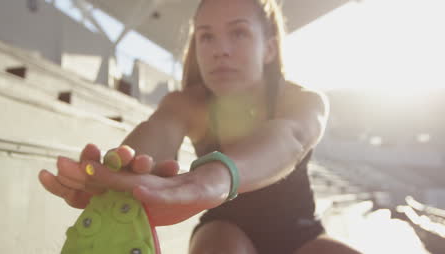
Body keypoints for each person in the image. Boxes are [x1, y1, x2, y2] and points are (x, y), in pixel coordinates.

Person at [39, 0, 361, 253]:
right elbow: (156, 135)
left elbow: (290, 137)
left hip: (298, 232)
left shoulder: (304, 100)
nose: (220, 49)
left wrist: (213, 179)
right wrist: (117, 176)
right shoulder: (186, 103)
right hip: (224, 228)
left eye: (238, 33)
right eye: (206, 36)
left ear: (270, 49)